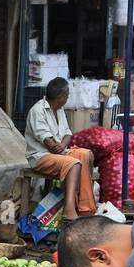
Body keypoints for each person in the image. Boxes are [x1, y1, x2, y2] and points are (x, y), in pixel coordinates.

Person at [24, 77, 97, 221]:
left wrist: (62, 147)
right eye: (67, 94)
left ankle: (85, 208)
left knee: (86, 154)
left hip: (59, 152)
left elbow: (67, 134)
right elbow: (47, 141)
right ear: (61, 97)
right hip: (40, 157)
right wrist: (59, 149)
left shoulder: (60, 109)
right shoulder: (37, 111)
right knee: (73, 163)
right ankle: (69, 211)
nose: (68, 97)